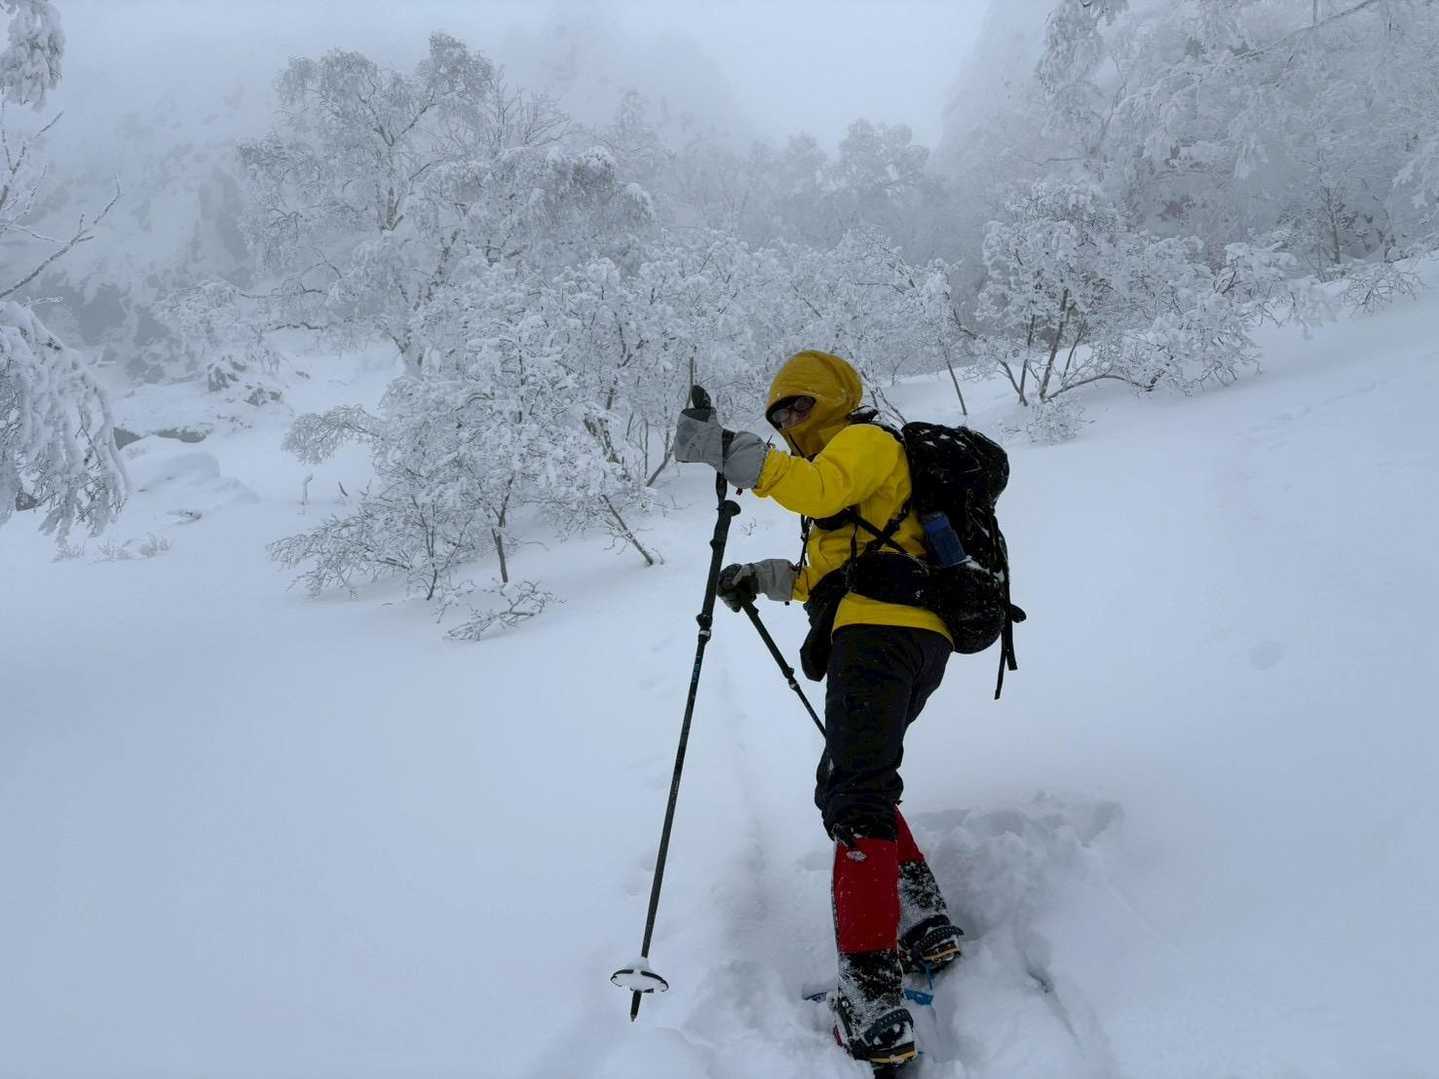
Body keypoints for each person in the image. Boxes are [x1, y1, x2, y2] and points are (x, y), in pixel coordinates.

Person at [674, 349, 965, 1069]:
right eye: (780, 414)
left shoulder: (863, 441)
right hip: (902, 636)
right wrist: (761, 577)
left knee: (855, 793)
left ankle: (871, 999)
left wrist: (725, 447)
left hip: (880, 635)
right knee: (852, 779)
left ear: (833, 398)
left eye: (799, 406)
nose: (789, 421)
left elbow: (815, 490)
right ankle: (922, 916)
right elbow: (825, 573)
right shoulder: (850, 475)